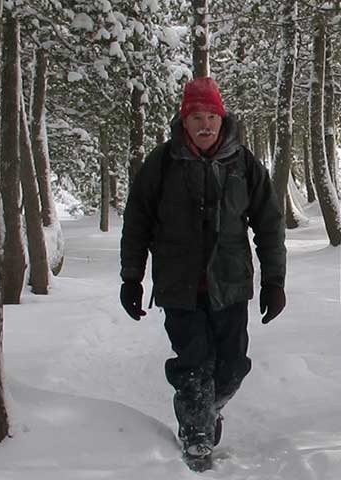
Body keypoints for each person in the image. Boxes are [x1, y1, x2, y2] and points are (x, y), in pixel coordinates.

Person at [118, 76, 286, 472]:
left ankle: (207, 412)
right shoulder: (161, 164)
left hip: (229, 283)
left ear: (222, 117)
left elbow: (269, 224)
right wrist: (131, 277)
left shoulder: (245, 164)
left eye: (211, 115)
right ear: (184, 120)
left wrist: (274, 281)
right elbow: (137, 222)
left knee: (231, 366)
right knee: (194, 366)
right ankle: (196, 442)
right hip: (179, 286)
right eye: (197, 117)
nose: (205, 124)